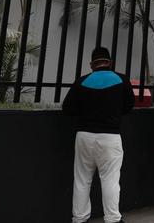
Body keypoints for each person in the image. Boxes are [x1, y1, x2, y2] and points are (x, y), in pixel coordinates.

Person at [62, 47, 134, 223]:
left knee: (82, 180)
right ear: (109, 62)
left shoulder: (82, 81)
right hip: (110, 137)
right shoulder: (121, 79)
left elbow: (68, 108)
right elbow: (129, 105)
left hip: (84, 135)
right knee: (110, 179)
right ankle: (112, 219)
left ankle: (79, 219)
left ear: (91, 64)